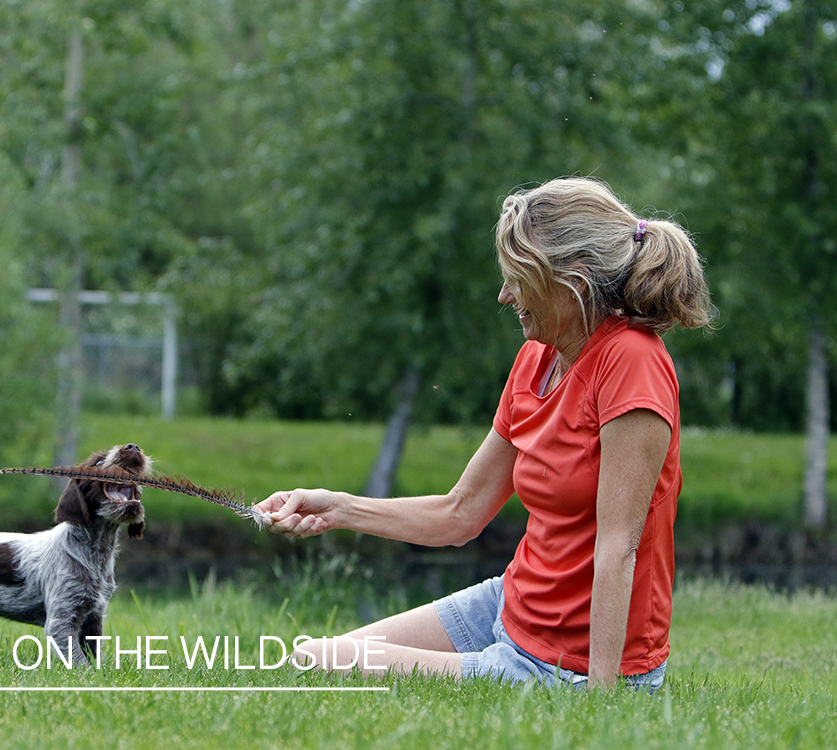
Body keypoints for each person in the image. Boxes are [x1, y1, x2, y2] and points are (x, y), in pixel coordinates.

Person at [255, 176, 714, 690]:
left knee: (325, 668)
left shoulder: (631, 362)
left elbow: (619, 547)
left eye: (519, 279)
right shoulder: (537, 358)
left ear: (573, 281)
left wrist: (600, 701)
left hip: (573, 663)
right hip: (511, 605)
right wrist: (336, 509)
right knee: (308, 657)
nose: (504, 295)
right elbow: (461, 513)